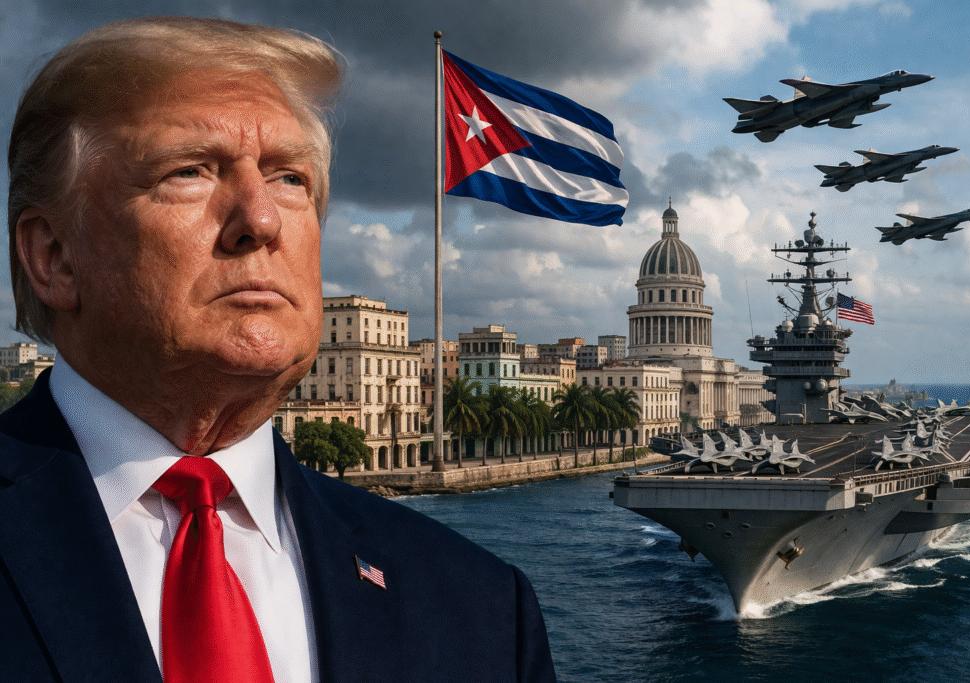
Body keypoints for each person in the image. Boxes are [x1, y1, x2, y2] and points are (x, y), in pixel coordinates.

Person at [0, 16, 556, 683]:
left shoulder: (482, 607)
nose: (261, 219)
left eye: (289, 178)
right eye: (190, 171)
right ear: (54, 257)